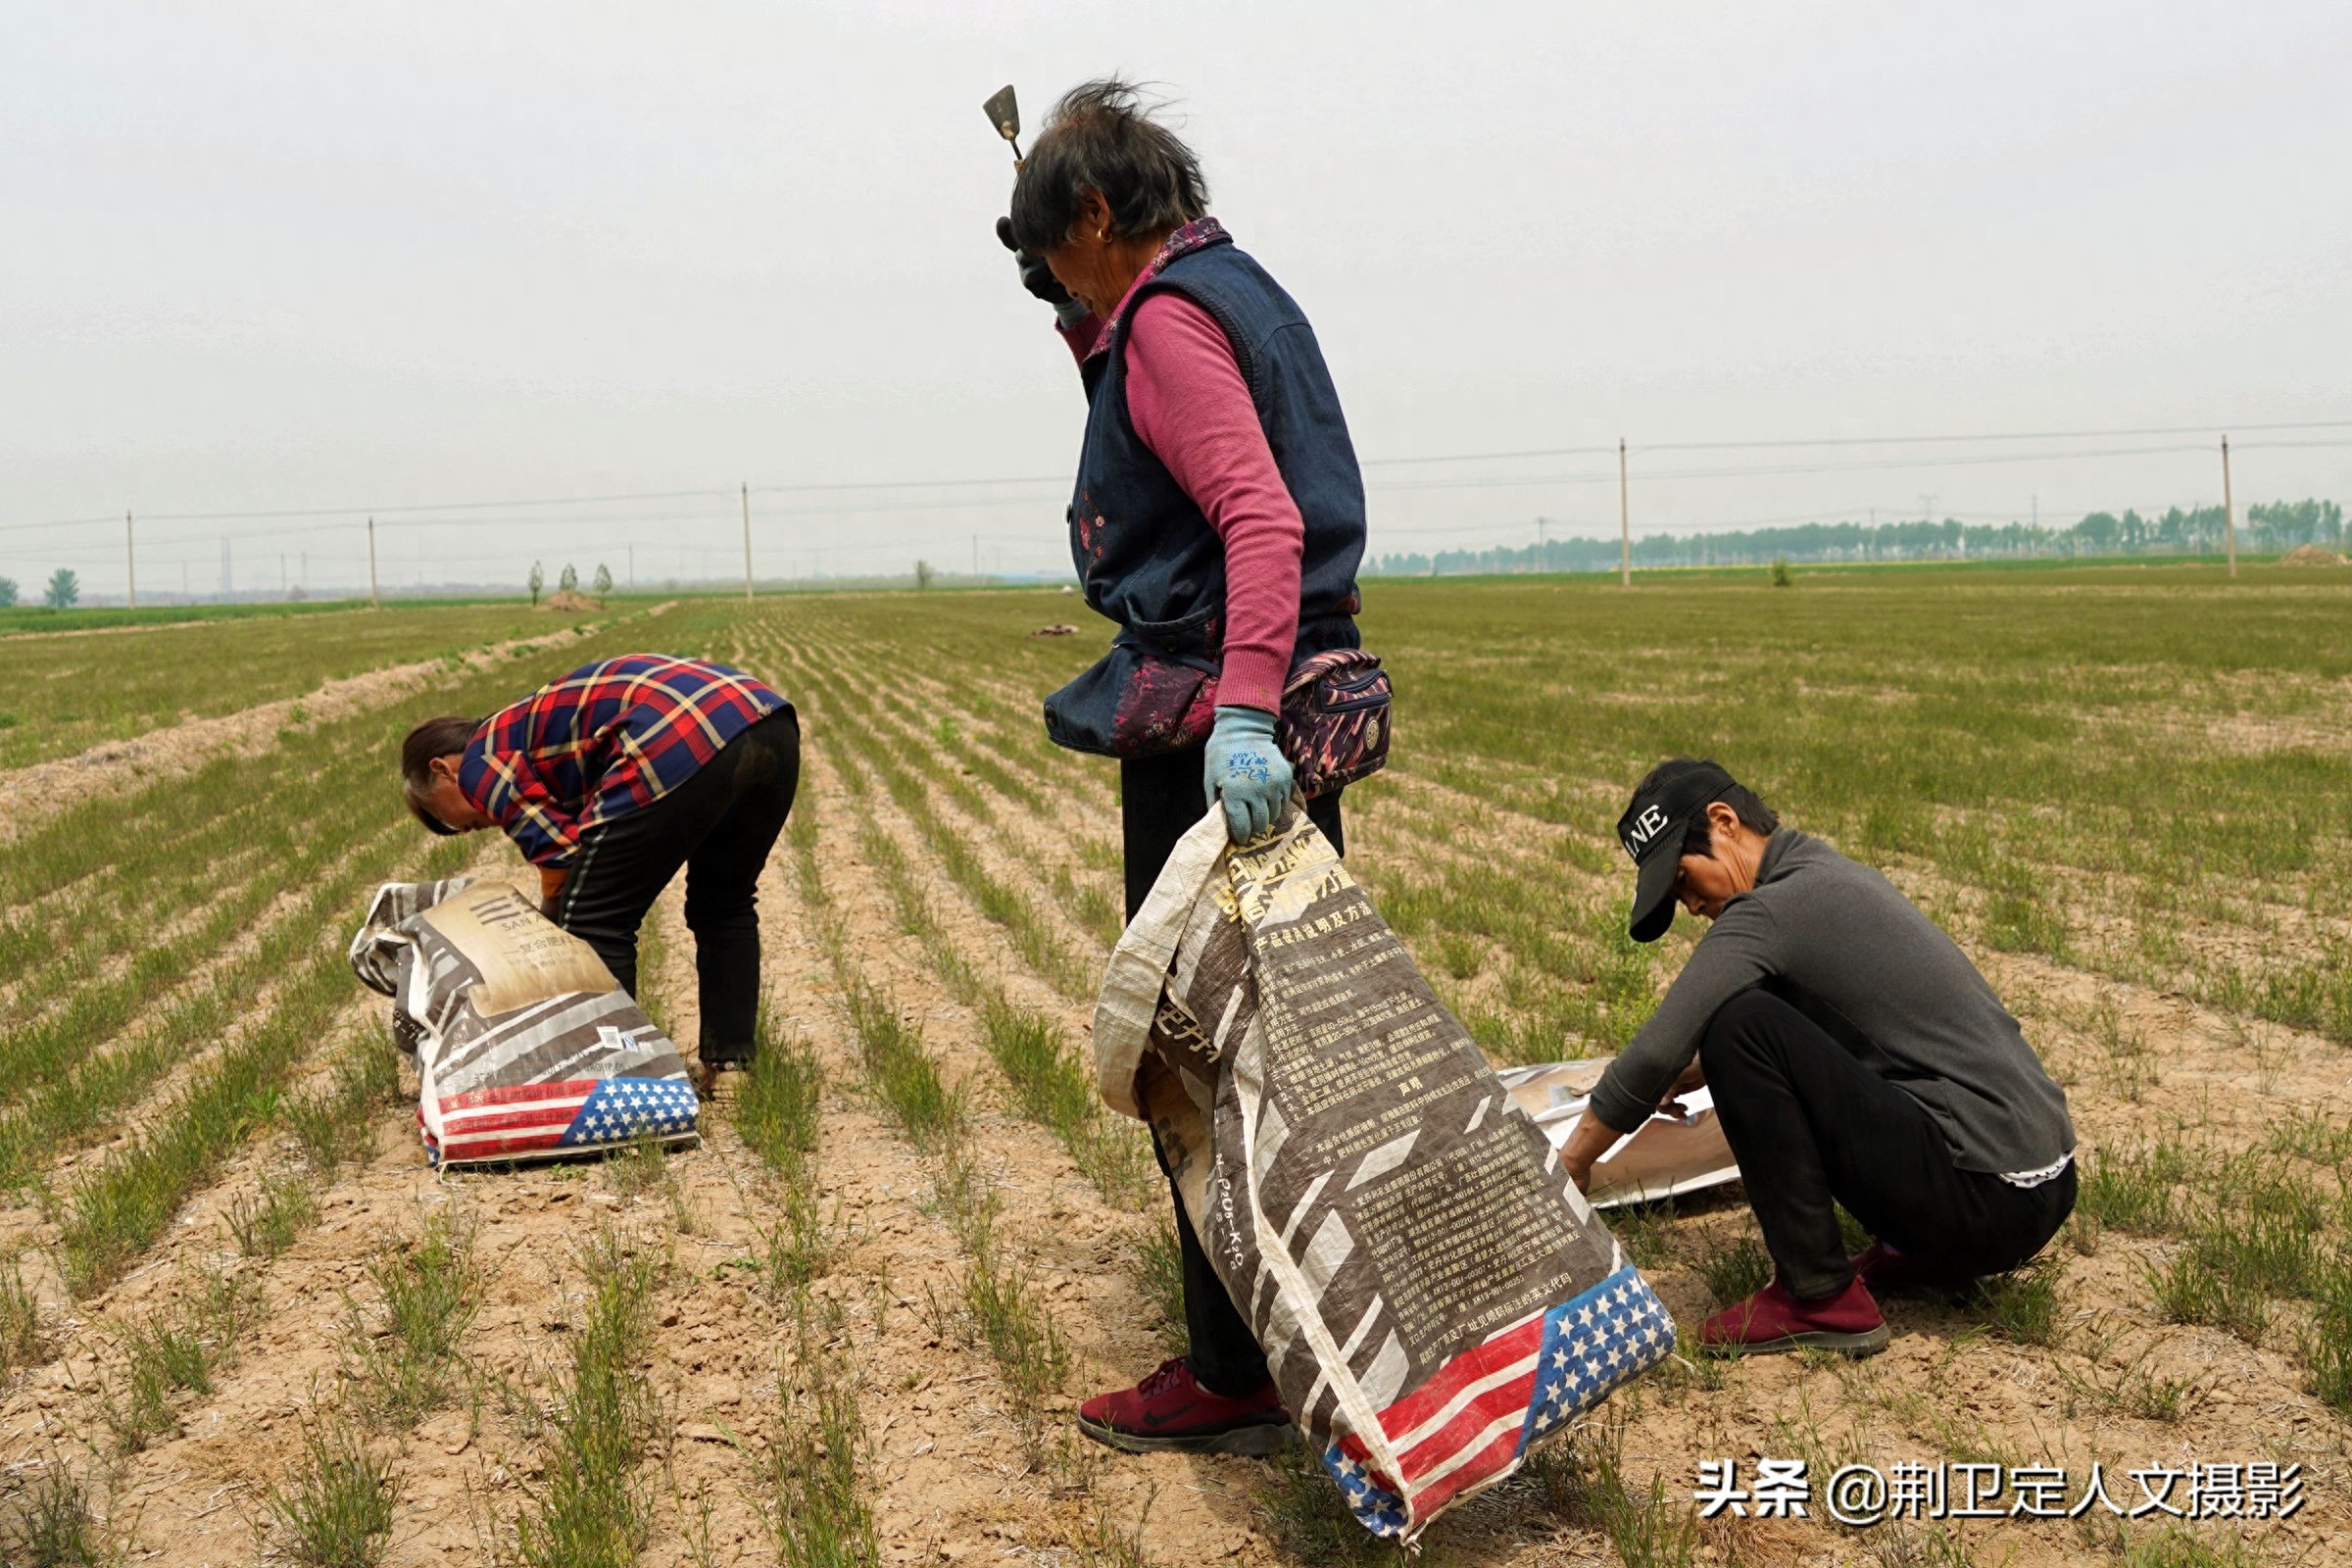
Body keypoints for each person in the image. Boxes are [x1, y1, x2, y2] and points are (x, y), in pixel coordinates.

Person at [999, 79, 1369, 1454]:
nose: (1054, 276)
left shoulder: (1166, 323)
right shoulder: (1229, 289)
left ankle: (1233, 1369)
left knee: (1194, 1046)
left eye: (1058, 247)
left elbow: (1256, 518)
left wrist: (1245, 716)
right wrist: (1085, 325)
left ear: (1098, 213)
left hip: (1225, 720)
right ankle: (1326, 1327)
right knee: (1291, 1041)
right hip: (1282, 697)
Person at [1562, 760, 2078, 1356]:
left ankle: (1818, 1295)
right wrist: (1699, 1070)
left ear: (1724, 822)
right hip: (2040, 1191)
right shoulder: (1824, 873)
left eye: (1682, 878)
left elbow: (1655, 1050)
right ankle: (1910, 1251)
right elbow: (1851, 1028)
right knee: (1746, 1025)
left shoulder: (1772, 907)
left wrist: (1574, 1162)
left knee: (1738, 1024)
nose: (1689, 905)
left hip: (1987, 1204)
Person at [400, 653, 797, 1093]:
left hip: (678, 734)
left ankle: (616, 1083)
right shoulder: (525, 729)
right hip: (765, 718)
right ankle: (732, 1073)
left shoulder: (478, 761)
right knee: (724, 902)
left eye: (463, 821)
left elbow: (562, 855)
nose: (481, 823)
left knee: (595, 920)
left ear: (442, 769)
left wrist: (548, 928)